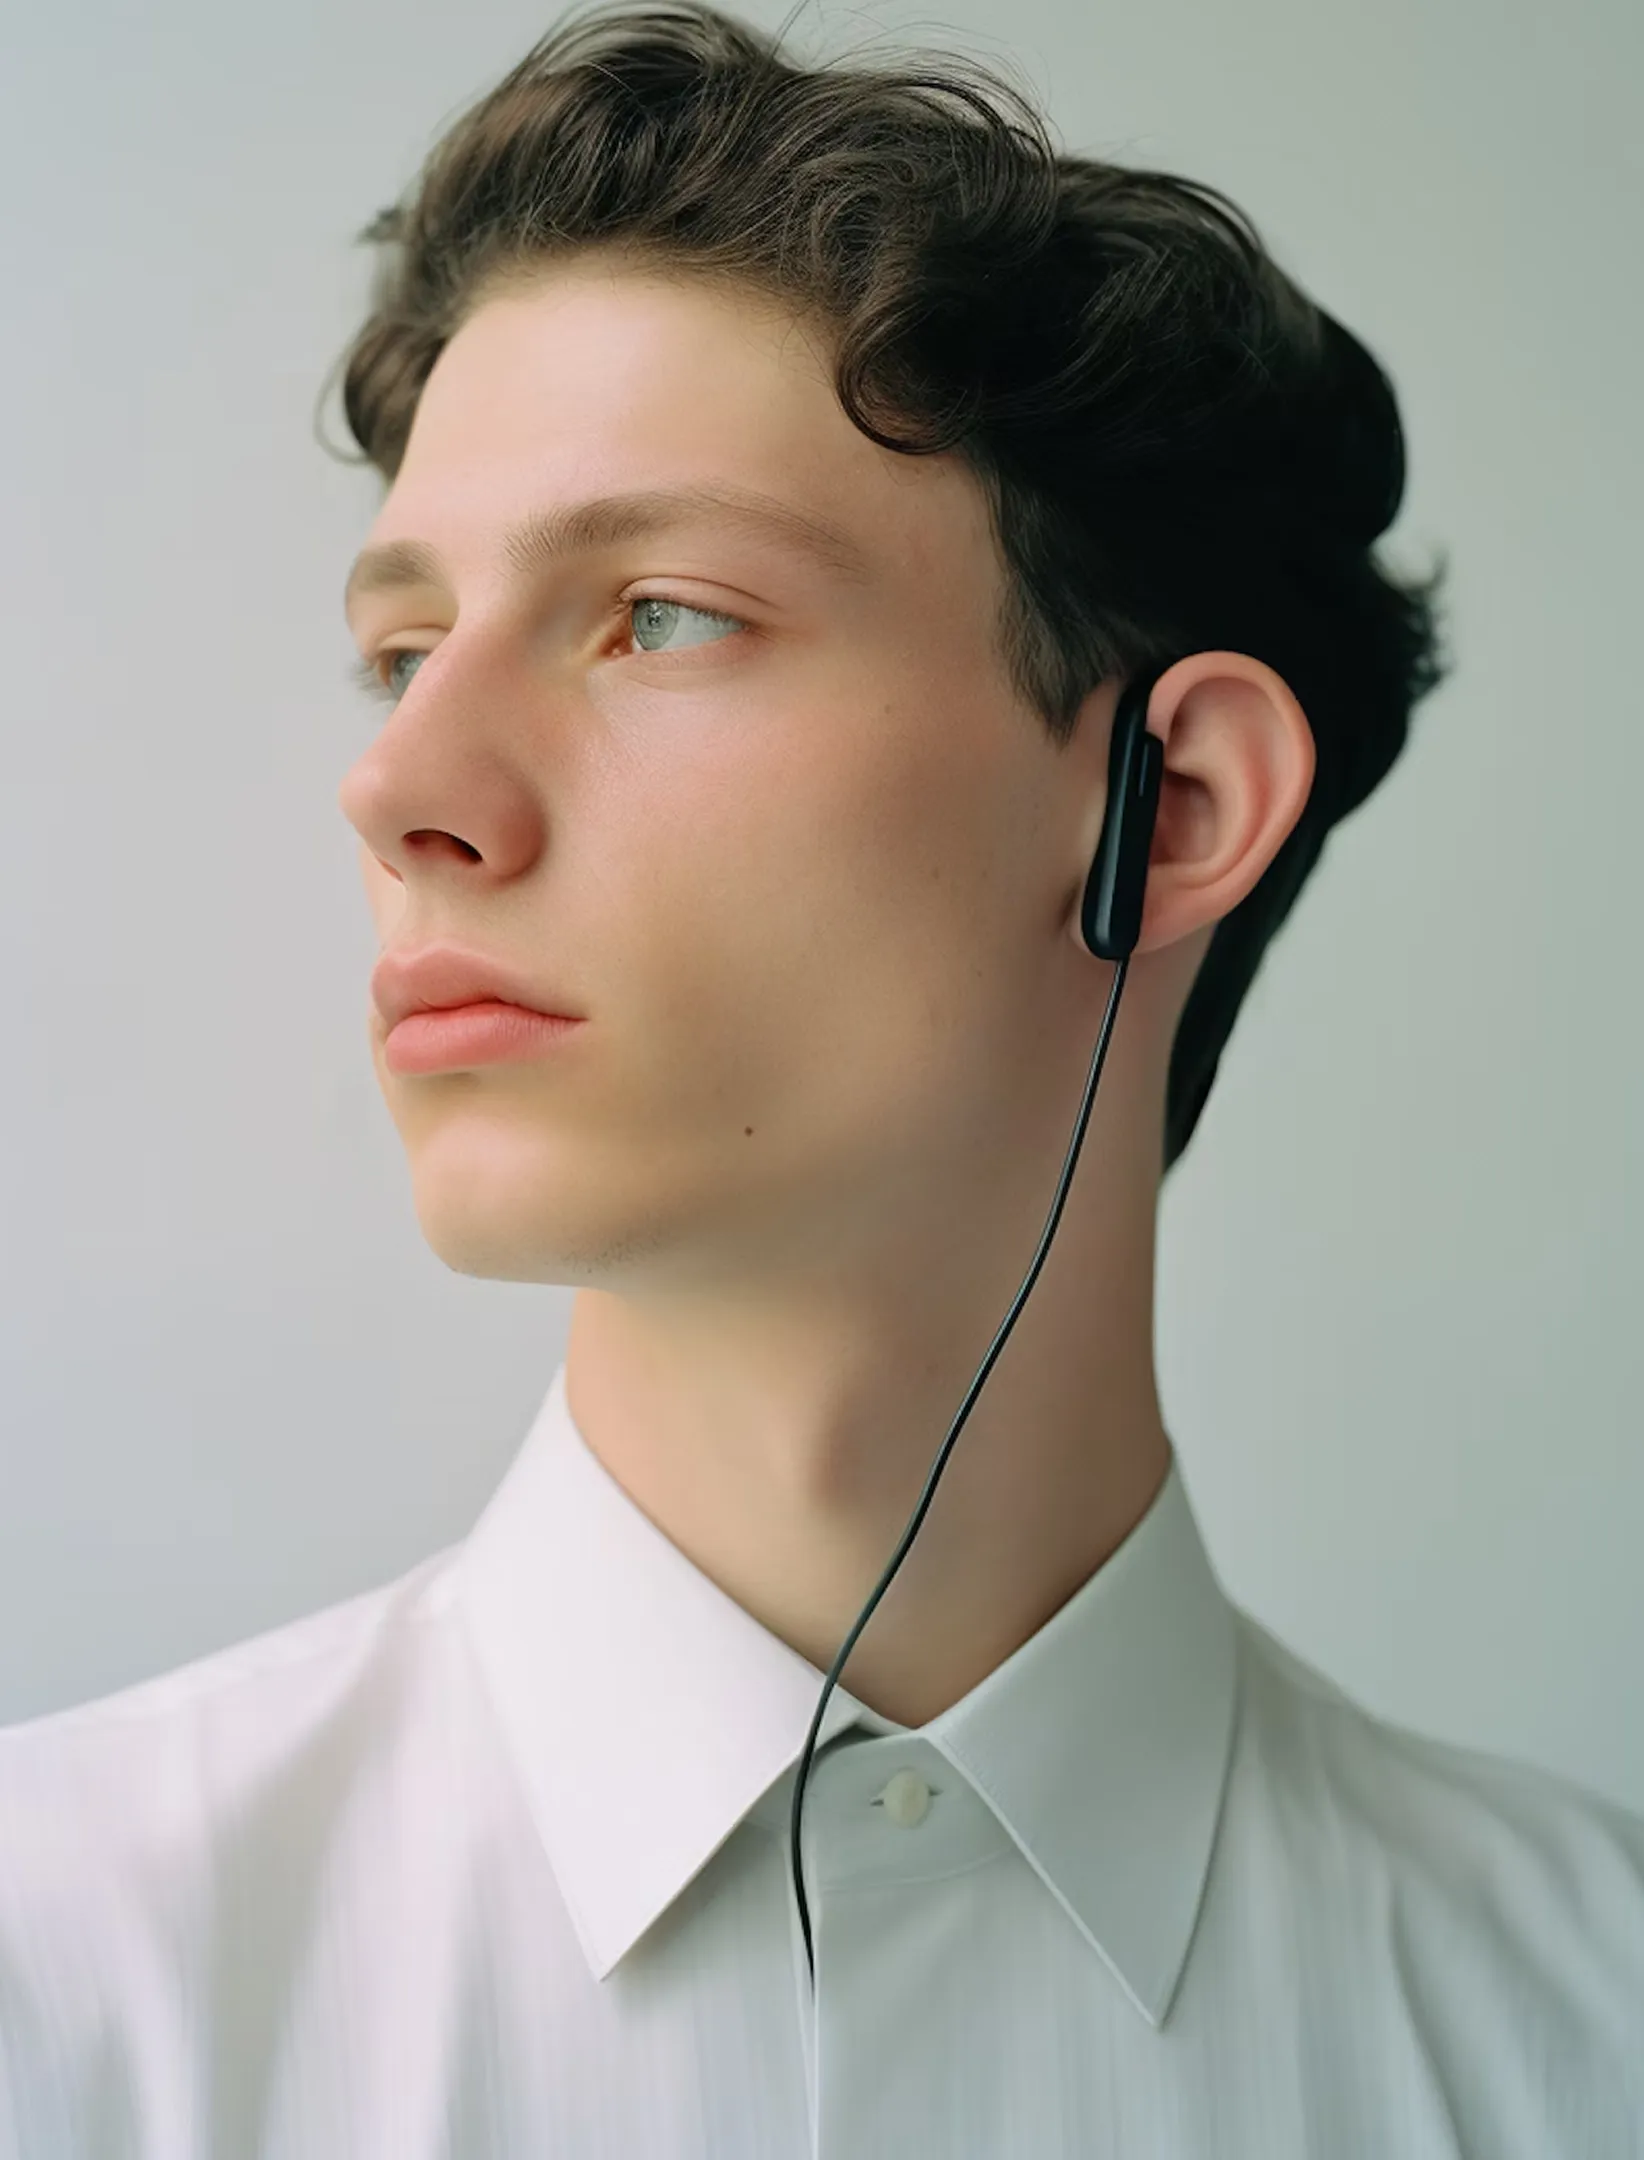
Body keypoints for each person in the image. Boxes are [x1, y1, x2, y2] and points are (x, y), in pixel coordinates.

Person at [4, 4, 1641, 2153]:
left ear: (1182, 797)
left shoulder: (1595, 2028)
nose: (401, 784)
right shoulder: (59, 1984)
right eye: (405, 649)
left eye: (660, 616)